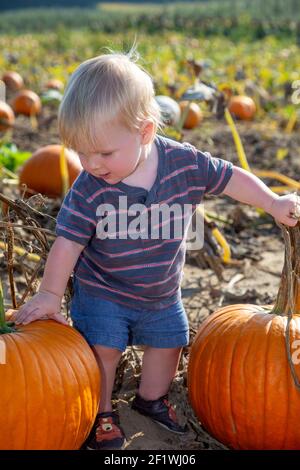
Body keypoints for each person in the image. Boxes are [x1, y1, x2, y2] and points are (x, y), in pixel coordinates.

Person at [11, 50, 300, 451]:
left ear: (145, 132)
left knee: (169, 343)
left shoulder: (184, 164)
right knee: (104, 350)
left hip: (161, 294)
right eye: (81, 151)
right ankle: (102, 412)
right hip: (104, 291)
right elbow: (68, 242)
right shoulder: (90, 186)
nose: (91, 164)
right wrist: (49, 295)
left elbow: (230, 177)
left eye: (104, 153)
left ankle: (151, 400)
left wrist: (271, 202)